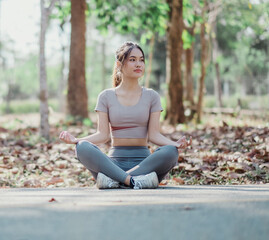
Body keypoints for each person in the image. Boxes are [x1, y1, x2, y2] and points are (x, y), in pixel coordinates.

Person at [59, 41, 190, 189]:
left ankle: (116, 181)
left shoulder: (152, 96)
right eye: (132, 60)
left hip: (144, 165)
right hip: (113, 164)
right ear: (119, 65)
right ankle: (133, 181)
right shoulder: (106, 96)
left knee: (171, 152)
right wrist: (76, 140)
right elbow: (102, 135)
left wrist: (176, 145)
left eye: (141, 60)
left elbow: (154, 135)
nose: (138, 64)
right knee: (82, 147)